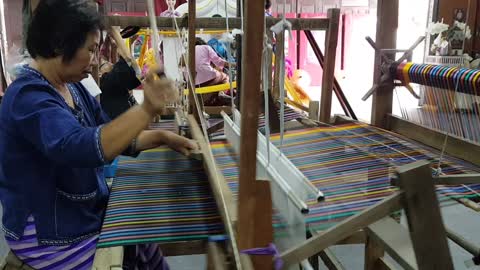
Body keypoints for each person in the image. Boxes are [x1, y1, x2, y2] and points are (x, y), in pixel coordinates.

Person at [0, 1, 197, 269]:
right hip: (49, 236)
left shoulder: (75, 89)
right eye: (91, 50)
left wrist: (164, 138)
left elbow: (110, 136)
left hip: (80, 214)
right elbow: (81, 147)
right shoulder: (28, 97)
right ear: (60, 45)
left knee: (144, 242)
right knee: (131, 254)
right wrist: (148, 109)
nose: (95, 59)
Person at [194, 37, 234, 106]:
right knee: (225, 77)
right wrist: (233, 65)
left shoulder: (188, 51)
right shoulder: (206, 47)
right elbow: (219, 62)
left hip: (194, 82)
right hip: (207, 76)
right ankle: (222, 93)